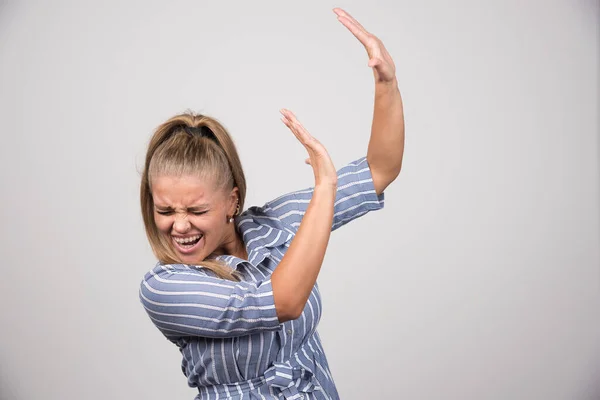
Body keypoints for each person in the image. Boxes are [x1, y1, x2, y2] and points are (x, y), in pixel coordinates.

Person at [138, 8, 404, 400]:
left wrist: (387, 82)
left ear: (232, 200)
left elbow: (379, 170)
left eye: (196, 211)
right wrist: (324, 188)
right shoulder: (165, 287)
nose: (179, 226)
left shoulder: (277, 224)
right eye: (165, 211)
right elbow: (284, 301)